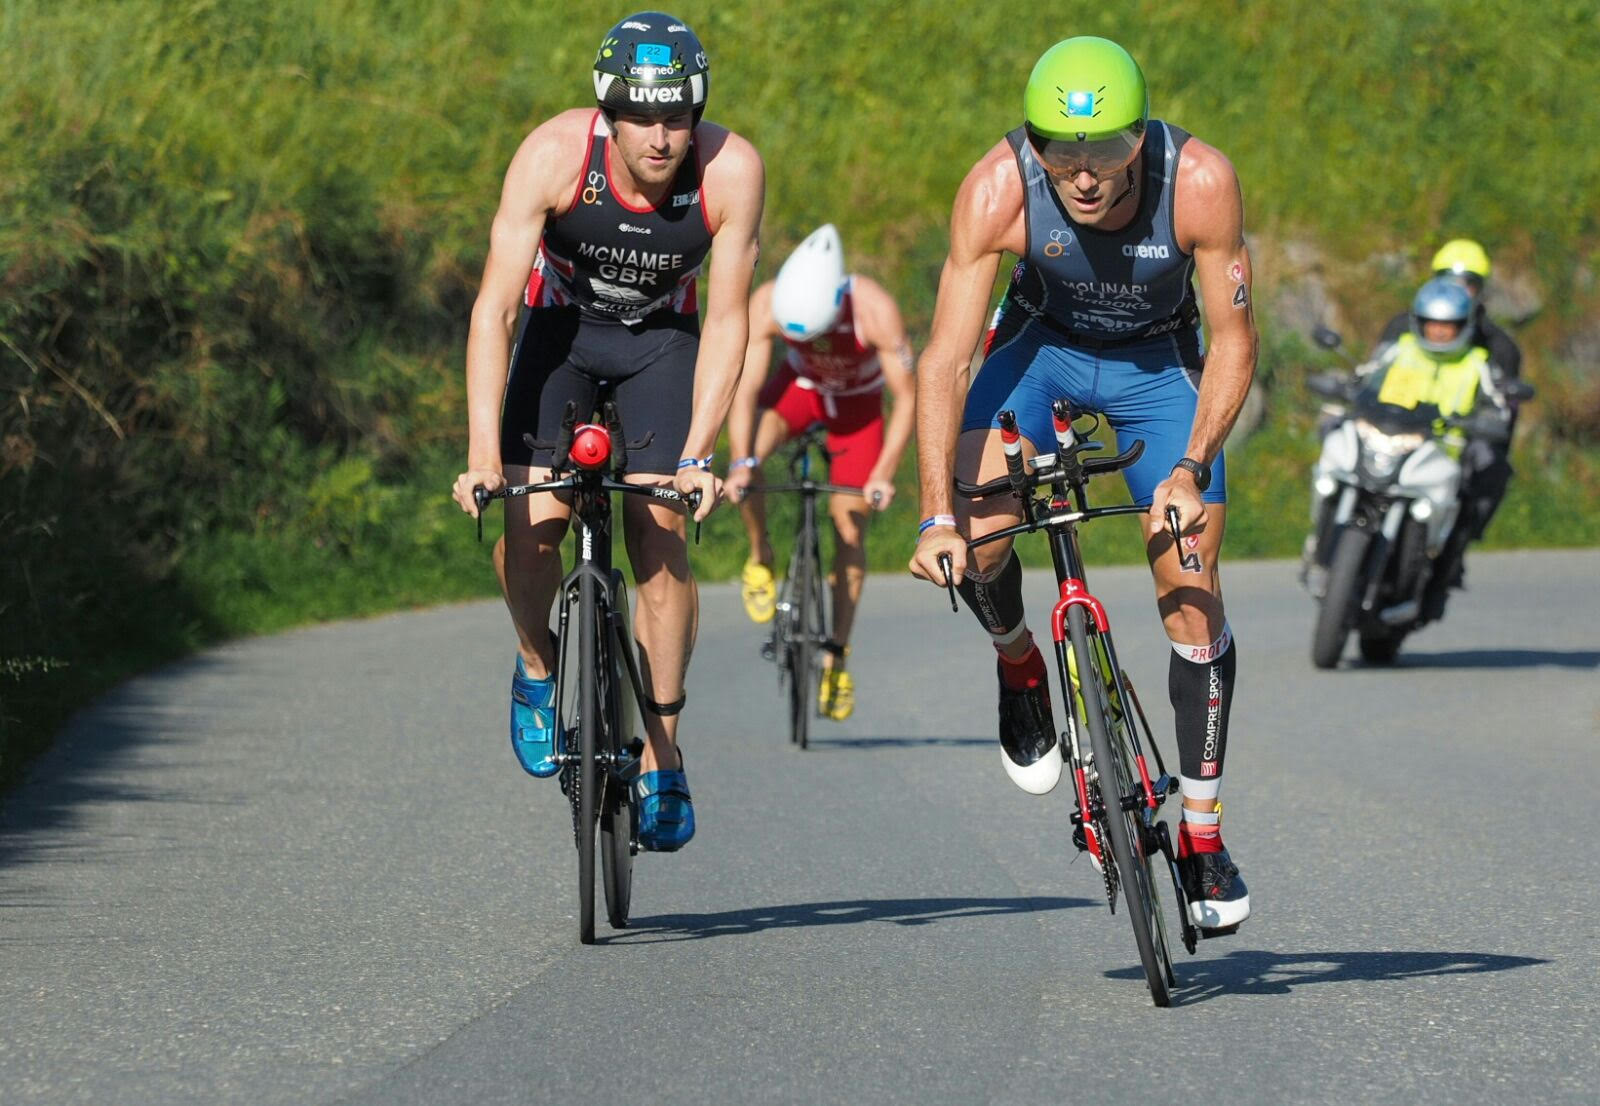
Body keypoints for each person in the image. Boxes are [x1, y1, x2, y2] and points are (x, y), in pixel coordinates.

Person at [907, 36, 1255, 931]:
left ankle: (1205, 840)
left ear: (1140, 139)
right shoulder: (997, 187)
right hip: (1041, 351)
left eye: (1105, 152)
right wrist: (935, 516)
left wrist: (1190, 467)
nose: (1085, 175)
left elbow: (1235, 341)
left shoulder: (1202, 181)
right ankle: (1021, 665)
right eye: (1061, 151)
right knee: (981, 541)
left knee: (1190, 585)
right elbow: (945, 359)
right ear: (1034, 143)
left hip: (1156, 368)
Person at [449, 11, 764, 852]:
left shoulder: (731, 172)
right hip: (561, 336)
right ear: (608, 113)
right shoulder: (553, 156)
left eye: (676, 117)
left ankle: (663, 749)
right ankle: (536, 664)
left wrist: (701, 453)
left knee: (660, 532)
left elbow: (730, 322)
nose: (660, 138)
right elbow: (493, 312)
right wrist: (484, 454)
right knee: (532, 529)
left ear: (696, 114)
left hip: (665, 343)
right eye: (640, 116)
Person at [722, 225, 916, 720]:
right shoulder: (768, 301)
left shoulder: (873, 309)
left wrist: (884, 473)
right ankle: (760, 552)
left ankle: (836, 657)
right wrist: (742, 461)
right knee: (750, 460)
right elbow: (744, 389)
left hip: (858, 409)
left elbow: (908, 397)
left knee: (848, 527)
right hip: (801, 392)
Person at [1350, 277, 1520, 614]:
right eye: (1433, 324)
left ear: (1464, 325)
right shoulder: (1401, 350)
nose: (1440, 332)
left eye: (1448, 325)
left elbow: (1498, 406)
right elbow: (1365, 378)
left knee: (1473, 488)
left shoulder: (1477, 362)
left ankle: (1437, 562)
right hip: (1388, 441)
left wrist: (1485, 421)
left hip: (1441, 452)